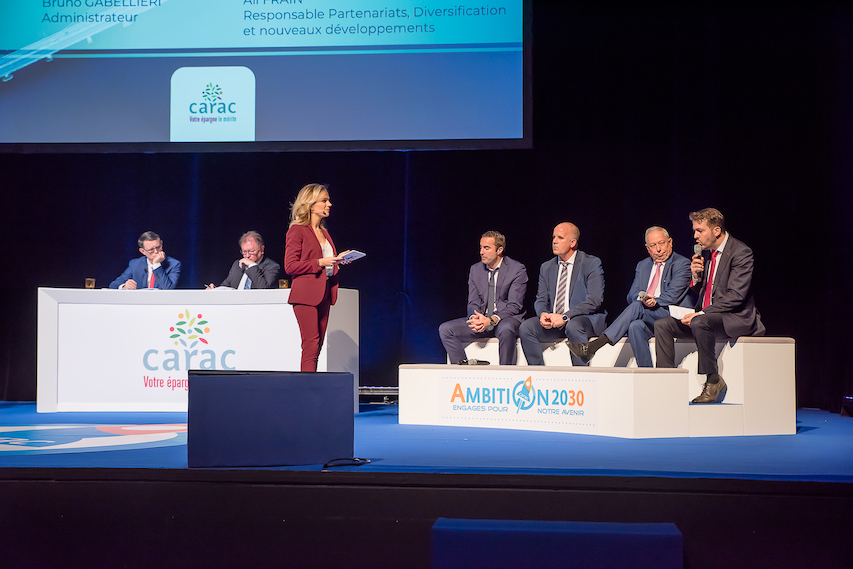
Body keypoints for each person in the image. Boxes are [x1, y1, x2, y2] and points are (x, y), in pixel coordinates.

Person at [654, 208, 765, 403]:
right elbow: (709, 292)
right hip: (708, 318)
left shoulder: (741, 253)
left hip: (734, 317)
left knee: (700, 322)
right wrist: (696, 278)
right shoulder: (709, 255)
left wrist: (702, 313)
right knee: (663, 324)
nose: (695, 236)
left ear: (716, 230)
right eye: (694, 231)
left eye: (700, 230)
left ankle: (713, 380)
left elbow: (736, 296)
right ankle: (665, 382)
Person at [567, 226, 691, 367]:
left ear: (670, 242)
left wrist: (653, 301)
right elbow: (631, 295)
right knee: (635, 326)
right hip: (649, 314)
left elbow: (673, 296)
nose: (658, 249)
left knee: (637, 306)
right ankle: (646, 372)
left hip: (672, 315)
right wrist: (643, 299)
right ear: (647, 248)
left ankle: (594, 346)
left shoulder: (682, 263)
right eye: (653, 245)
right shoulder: (643, 265)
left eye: (662, 243)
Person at [519, 222, 606, 366]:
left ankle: (581, 376)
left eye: (560, 237)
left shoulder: (591, 263)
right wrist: (543, 314)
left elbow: (594, 300)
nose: (554, 241)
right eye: (554, 237)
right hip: (555, 321)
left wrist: (566, 316)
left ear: (573, 243)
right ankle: (538, 373)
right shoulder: (547, 267)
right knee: (526, 327)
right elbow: (540, 299)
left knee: (573, 326)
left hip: (582, 320)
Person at [284, 184, 348, 372]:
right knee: (311, 344)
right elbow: (290, 266)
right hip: (306, 295)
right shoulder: (297, 230)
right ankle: (307, 387)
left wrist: (337, 261)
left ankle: (311, 384)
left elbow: (326, 262)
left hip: (324, 293)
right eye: (324, 200)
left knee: (317, 346)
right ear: (311, 205)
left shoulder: (324, 232)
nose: (329, 204)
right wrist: (320, 262)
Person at [438, 231, 528, 365]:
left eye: (487, 248)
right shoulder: (475, 269)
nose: (481, 252)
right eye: (481, 247)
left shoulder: (517, 269)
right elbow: (473, 301)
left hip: (504, 319)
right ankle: (462, 370)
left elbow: (514, 306)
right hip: (482, 319)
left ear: (499, 250)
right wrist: (475, 318)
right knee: (446, 329)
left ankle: (506, 372)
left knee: (506, 328)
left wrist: (491, 320)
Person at [205, 231, 280, 290]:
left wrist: (252, 266)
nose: (247, 256)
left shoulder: (272, 267)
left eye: (251, 251)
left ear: (262, 249)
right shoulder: (237, 265)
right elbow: (226, 286)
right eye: (244, 252)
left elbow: (264, 289)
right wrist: (215, 290)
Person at [109, 231, 181, 290]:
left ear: (161, 243)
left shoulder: (174, 264)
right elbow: (113, 285)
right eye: (151, 249)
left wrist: (156, 265)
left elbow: (168, 288)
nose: (156, 251)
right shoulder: (135, 264)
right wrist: (124, 286)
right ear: (142, 251)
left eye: (158, 247)